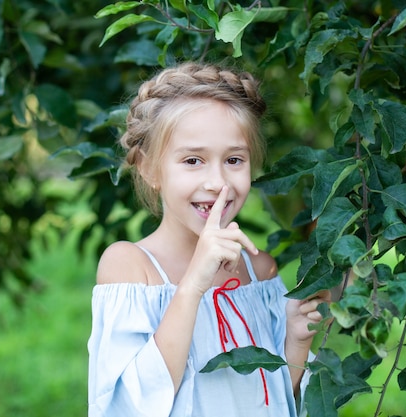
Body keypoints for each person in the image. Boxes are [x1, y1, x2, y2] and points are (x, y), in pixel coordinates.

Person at [87, 62, 328, 417]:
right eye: (193, 160)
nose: (217, 182)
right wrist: (193, 284)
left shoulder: (259, 270)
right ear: (151, 169)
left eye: (233, 159)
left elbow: (280, 400)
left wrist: (295, 341)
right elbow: (128, 406)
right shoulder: (131, 268)